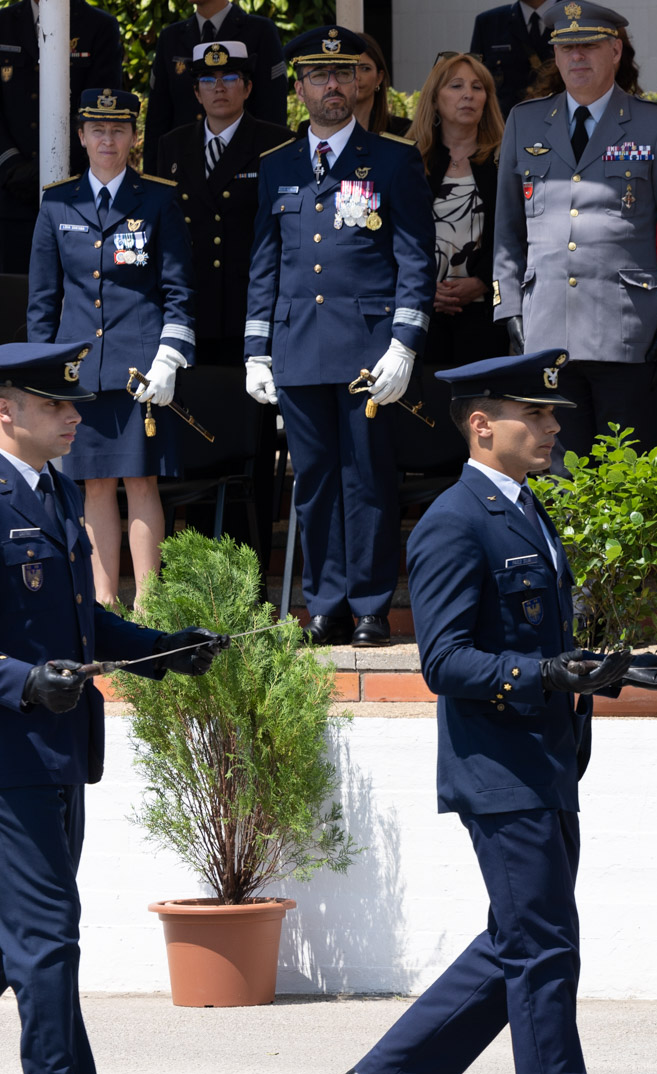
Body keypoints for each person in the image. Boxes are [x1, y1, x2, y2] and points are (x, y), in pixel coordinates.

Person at [335, 348, 657, 1074]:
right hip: (498, 767)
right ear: (480, 425)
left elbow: (540, 642)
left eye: (551, 414)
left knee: (523, 940)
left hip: (544, 758)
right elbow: (445, 660)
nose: (550, 426)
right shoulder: (453, 521)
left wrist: (612, 669)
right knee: (544, 951)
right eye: (533, 414)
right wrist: (546, 673)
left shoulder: (526, 508)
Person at [0, 340, 223, 1074]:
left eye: (73, 404)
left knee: (18, 942)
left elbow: (83, 624)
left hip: (57, 751)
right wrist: (25, 682)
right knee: (46, 937)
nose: (74, 417)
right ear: (5, 410)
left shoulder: (54, 490)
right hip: (11, 755)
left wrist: (165, 650)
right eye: (55, 404)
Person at [244, 27, 434, 648]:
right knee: (315, 481)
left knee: (367, 478)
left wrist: (404, 343)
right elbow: (265, 265)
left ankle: (372, 606)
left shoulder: (394, 159)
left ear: (360, 84)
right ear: (299, 89)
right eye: (320, 76)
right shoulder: (277, 165)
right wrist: (255, 351)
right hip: (297, 347)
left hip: (367, 349)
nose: (333, 85)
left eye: (344, 73)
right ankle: (326, 606)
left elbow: (415, 260)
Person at [493, 2, 657, 462]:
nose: (576, 57)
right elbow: (508, 230)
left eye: (588, 46)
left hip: (624, 329)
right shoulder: (525, 121)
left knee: (623, 473)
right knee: (558, 471)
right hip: (546, 326)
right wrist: (508, 308)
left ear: (616, 51)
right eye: (566, 48)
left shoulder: (656, 125)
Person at [28, 89, 194, 608]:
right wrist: (41, 377)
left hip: (140, 368)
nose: (107, 139)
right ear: (81, 136)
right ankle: (103, 603)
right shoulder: (58, 203)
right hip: (79, 371)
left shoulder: (159, 199)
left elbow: (178, 291)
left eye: (118, 129)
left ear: (133, 137)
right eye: (97, 129)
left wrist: (169, 358)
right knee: (93, 484)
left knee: (141, 481)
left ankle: (148, 604)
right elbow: (42, 300)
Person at [156, 41, 294, 368]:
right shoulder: (172, 145)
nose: (219, 88)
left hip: (250, 306)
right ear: (196, 93)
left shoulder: (277, 143)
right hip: (191, 305)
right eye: (208, 80)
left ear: (247, 88)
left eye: (230, 78)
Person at [0, 0, 123, 273]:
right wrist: (10, 165)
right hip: (9, 194)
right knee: (11, 290)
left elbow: (99, 113)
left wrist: (52, 167)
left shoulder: (98, 26)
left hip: (75, 195)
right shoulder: (3, 24)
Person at [409, 52, 509, 367]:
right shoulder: (410, 161)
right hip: (421, 311)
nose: (468, 94)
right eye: (456, 86)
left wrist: (482, 280)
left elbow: (516, 232)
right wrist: (426, 288)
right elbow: (397, 236)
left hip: (487, 312)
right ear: (434, 100)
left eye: (477, 87)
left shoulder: (505, 160)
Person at [143, 1, 287, 150]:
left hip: (247, 155)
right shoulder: (170, 37)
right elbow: (157, 119)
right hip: (183, 158)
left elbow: (273, 112)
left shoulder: (260, 31)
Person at [470, 0, 556, 117]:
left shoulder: (575, 17)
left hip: (564, 122)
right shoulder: (489, 23)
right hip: (505, 124)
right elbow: (475, 84)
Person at [351, 32, 413, 138]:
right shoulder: (322, 130)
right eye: (348, 69)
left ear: (379, 78)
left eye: (365, 68)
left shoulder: (403, 130)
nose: (356, 76)